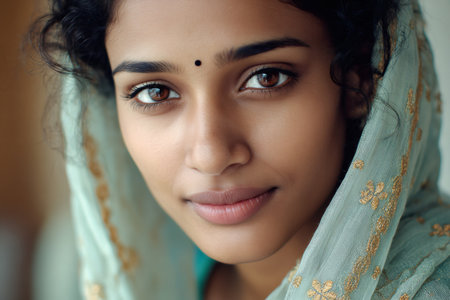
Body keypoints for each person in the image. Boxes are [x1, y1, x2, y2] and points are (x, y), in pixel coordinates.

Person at [31, 0, 449, 299]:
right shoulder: (122, 275)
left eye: (266, 78)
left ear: (361, 79)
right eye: (155, 91)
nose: (211, 154)